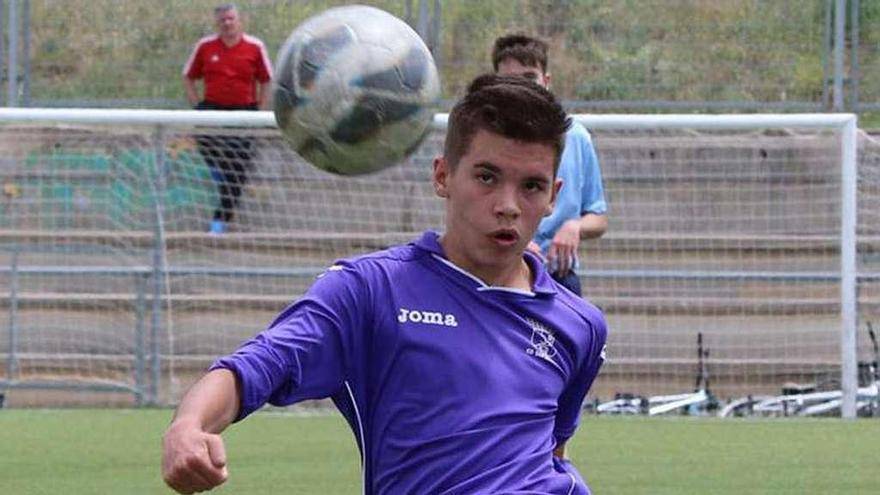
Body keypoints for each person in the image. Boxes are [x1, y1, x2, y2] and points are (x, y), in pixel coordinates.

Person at [161, 74, 608, 494]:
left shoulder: (579, 324)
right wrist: (189, 425)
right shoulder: (370, 291)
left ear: (553, 195)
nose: (508, 205)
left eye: (531, 185)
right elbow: (257, 365)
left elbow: (551, 449)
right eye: (487, 177)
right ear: (443, 176)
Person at [492, 34, 608, 296]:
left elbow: (599, 218)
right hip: (499, 272)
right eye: (510, 81)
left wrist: (574, 225)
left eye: (529, 78)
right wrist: (517, 244)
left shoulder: (576, 137)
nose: (521, 89)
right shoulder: (486, 141)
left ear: (546, 81)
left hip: (558, 276)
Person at [182, 3, 273, 234]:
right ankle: (216, 171)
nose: (227, 23)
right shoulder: (205, 47)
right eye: (223, 20)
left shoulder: (254, 47)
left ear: (239, 20)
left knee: (237, 172)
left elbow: (267, 80)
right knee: (205, 142)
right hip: (212, 110)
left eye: (231, 18)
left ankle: (218, 223)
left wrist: (259, 112)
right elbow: (188, 77)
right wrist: (199, 107)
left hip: (244, 112)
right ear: (217, 23)